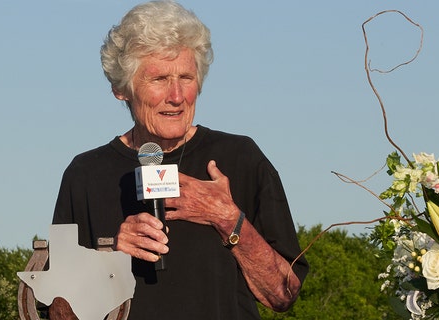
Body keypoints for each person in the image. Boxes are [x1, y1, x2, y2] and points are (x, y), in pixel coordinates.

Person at [52, 1, 308, 319]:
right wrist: (110, 258)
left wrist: (228, 218)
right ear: (122, 88)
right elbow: (56, 311)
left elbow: (284, 294)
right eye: (159, 79)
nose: (176, 96)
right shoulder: (85, 175)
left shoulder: (242, 158)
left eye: (186, 77)